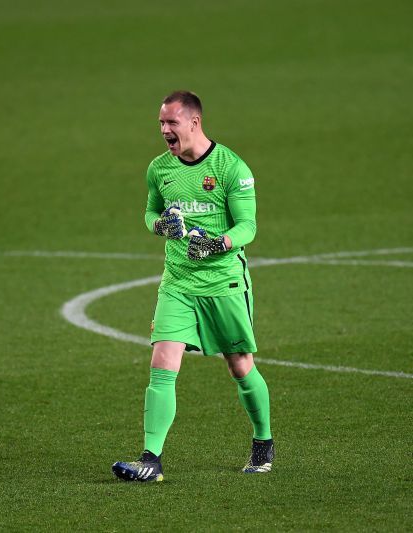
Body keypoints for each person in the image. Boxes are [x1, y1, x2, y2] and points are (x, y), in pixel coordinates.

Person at [111, 90, 274, 482]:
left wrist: (220, 243)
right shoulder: (159, 169)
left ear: (194, 122)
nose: (165, 130)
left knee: (239, 366)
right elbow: (150, 212)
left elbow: (248, 226)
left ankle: (263, 442)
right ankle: (151, 459)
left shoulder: (230, 167)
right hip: (178, 282)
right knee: (162, 363)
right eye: (161, 124)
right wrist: (159, 226)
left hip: (224, 282)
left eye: (171, 123)